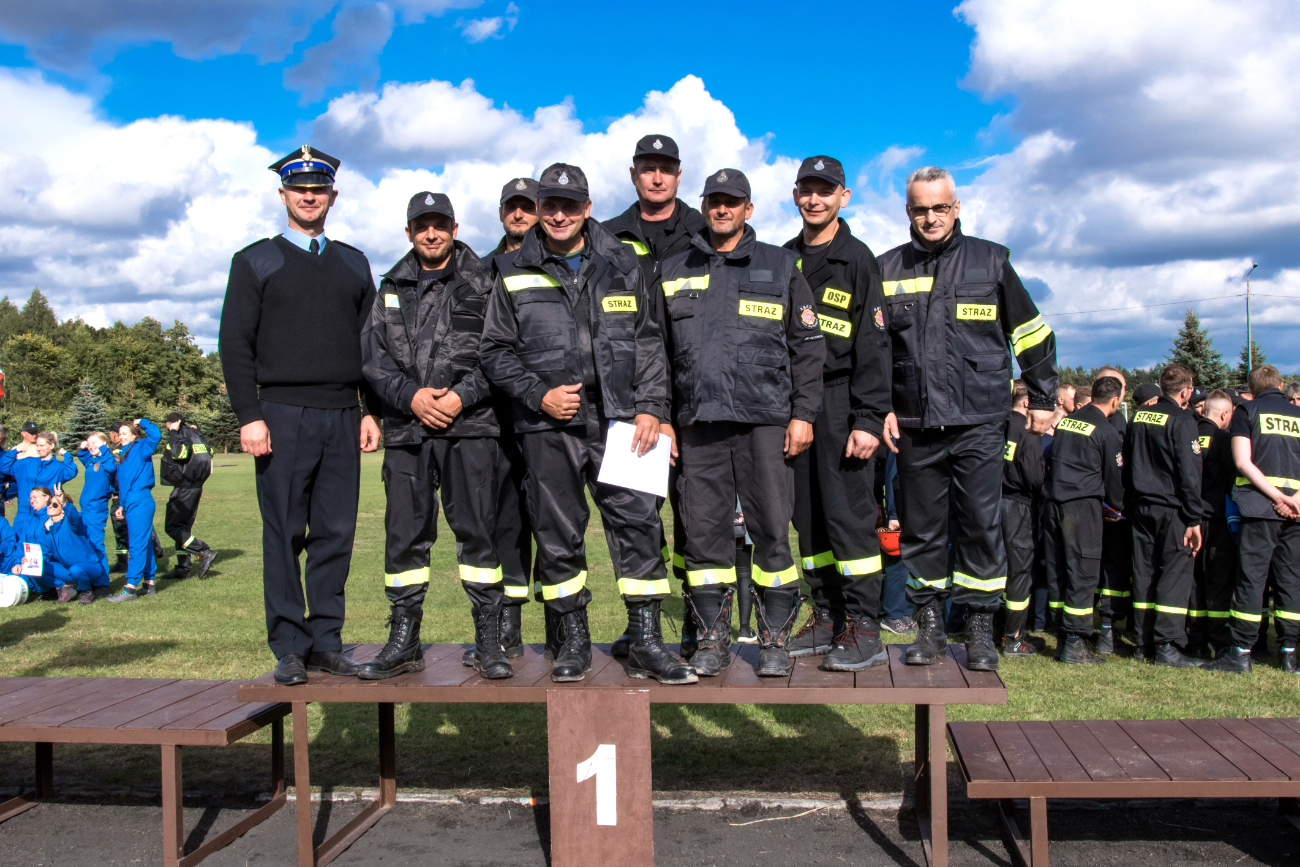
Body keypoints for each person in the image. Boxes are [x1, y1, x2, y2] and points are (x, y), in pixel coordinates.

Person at [481, 162, 693, 685]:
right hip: (549, 423)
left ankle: (646, 641)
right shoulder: (512, 270)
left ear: (587, 208)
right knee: (557, 533)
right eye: (549, 205)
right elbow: (495, 350)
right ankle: (571, 641)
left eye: (569, 205)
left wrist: (653, 409)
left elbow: (650, 342)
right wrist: (539, 395)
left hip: (624, 421)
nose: (558, 215)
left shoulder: (624, 263)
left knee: (640, 525)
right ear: (538, 210)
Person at [879, 166, 1058, 672]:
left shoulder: (992, 261)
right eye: (920, 208)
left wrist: (1043, 396)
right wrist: (880, 409)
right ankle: (930, 627)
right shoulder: (886, 269)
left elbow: (1032, 334)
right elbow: (874, 352)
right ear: (908, 211)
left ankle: (980, 628)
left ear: (956, 208)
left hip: (980, 421)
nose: (930, 217)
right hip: (915, 425)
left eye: (940, 207)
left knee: (982, 525)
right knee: (922, 531)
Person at [219, 145, 382, 685]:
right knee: (284, 532)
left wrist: (369, 410)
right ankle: (289, 644)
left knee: (335, 533)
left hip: (342, 413)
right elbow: (234, 344)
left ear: (332, 196)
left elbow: (371, 346)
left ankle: (327, 641)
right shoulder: (255, 260)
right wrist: (249, 414)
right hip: (280, 414)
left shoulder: (354, 262)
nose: (309, 196)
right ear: (283, 193)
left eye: (318, 189)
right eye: (299, 189)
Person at [652, 167, 824, 678]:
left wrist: (803, 415)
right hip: (697, 425)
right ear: (703, 206)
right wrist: (661, 418)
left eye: (732, 201)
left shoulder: (781, 264)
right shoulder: (672, 266)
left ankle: (773, 641)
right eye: (714, 201)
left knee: (772, 530)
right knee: (703, 537)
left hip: (764, 423)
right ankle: (711, 639)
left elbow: (808, 349)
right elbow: (654, 351)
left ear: (749, 209)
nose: (722, 209)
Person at [360, 191, 531, 680]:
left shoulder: (487, 279)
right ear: (409, 231)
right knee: (404, 539)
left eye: (439, 225)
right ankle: (404, 639)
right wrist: (411, 396)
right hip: (408, 431)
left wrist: (460, 397)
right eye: (421, 226)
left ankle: (489, 639)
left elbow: (500, 350)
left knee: (479, 535)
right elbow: (373, 359)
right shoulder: (391, 285)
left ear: (455, 229)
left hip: (472, 429)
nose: (430, 234)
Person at [779, 155, 891, 671]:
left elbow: (875, 345)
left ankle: (863, 625)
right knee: (809, 519)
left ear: (844, 197)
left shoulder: (859, 260)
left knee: (849, 518)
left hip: (844, 402)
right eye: (807, 189)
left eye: (826, 190)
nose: (815, 199)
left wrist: (869, 418)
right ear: (796, 194)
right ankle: (825, 616)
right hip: (797, 404)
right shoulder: (781, 259)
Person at [603, 134, 708, 657]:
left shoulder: (704, 231)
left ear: (679, 174)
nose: (657, 176)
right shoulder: (605, 237)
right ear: (634, 174)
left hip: (695, 395)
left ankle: (695, 625)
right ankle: (641, 628)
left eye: (667, 167)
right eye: (648, 168)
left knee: (695, 518)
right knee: (635, 515)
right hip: (631, 400)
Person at [1207, 365, 1300, 673]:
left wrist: (1276, 497)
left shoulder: (1247, 411)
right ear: (1282, 385)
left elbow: (1242, 462)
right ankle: (1289, 653)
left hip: (1260, 508)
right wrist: (1293, 500)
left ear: (1251, 386)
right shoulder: (1297, 414)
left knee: (1252, 580)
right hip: (1296, 512)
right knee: (1290, 582)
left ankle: (1241, 652)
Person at [1124, 363, 1204, 667]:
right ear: (1185, 391)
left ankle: (1143, 641)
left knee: (1144, 572)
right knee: (1175, 574)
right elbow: (1190, 472)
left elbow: (1128, 462)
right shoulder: (1183, 420)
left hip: (1142, 506)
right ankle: (1167, 644)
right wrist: (1194, 518)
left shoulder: (1140, 417)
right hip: (1173, 509)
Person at [1042, 376, 1125, 664]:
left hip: (1053, 501)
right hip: (1081, 506)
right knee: (1083, 570)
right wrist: (1116, 508)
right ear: (1115, 400)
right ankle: (1076, 642)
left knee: (1059, 569)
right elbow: (1114, 480)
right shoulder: (1106, 430)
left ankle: (1062, 635)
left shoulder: (1067, 421)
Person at [1190, 388, 1237, 656]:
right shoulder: (1223, 438)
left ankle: (1195, 640)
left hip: (1191, 519)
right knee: (1218, 581)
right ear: (1224, 414)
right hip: (1217, 519)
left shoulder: (1187, 434)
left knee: (1194, 581)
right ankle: (1219, 642)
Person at [1001, 381, 1046, 655]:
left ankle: (993, 631)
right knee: (1019, 573)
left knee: (996, 570)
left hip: (991, 504)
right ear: (1028, 403)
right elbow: (1035, 478)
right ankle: (1013, 637)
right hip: (1018, 508)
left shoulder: (997, 427)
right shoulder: (1029, 433)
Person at [1093, 365, 1132, 654]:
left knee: (1113, 569)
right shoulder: (1103, 424)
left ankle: (1107, 625)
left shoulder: (1120, 423)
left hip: (1110, 510)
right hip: (1097, 507)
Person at [105, 419, 162, 602]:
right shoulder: (124, 455)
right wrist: (121, 505)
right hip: (129, 501)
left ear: (134, 435)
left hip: (140, 500)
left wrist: (142, 422)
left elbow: (156, 434)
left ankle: (130, 588)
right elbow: (124, 483)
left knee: (136, 545)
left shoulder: (141, 446)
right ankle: (149, 583)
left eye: (124, 434)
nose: (120, 437)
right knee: (143, 543)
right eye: (119, 434)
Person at [158, 413, 217, 580]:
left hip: (184, 486)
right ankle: (183, 568)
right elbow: (210, 452)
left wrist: (174, 433)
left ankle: (204, 551)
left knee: (173, 527)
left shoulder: (179, 434)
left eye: (168, 423)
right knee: (183, 528)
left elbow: (179, 454)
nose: (167, 426)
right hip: (196, 486)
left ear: (175, 423)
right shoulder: (196, 434)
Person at [41, 492, 108, 606]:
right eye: (49, 503)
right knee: (41, 568)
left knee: (76, 569)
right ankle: (66, 588)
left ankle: (86, 592)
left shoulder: (71, 524)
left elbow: (74, 517)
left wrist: (64, 503)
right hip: (69, 570)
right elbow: (45, 552)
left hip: (90, 568)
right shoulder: (48, 529)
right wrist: (31, 562)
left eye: (54, 505)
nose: (50, 506)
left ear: (62, 509)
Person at [0, 432, 78, 526]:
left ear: (51, 445)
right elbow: (4, 466)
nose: (38, 448)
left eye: (42, 445)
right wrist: (15, 451)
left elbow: (71, 471)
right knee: (20, 540)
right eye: (37, 445)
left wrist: (67, 455)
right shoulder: (27, 463)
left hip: (45, 515)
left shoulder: (58, 467)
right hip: (23, 515)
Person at [75, 432, 116, 597]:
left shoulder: (107, 461)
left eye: (94, 442)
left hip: (96, 509)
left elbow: (112, 467)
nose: (90, 445)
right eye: (88, 442)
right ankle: (91, 578)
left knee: (96, 545)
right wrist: (83, 449)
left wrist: (104, 450)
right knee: (86, 544)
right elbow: (83, 457)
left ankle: (102, 584)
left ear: (104, 444)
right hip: (85, 509)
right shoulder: (93, 461)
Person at [485, 178, 539, 263]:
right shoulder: (482, 269)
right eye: (511, 207)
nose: (518, 215)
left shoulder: (557, 264)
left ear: (541, 214)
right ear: (500, 213)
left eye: (527, 208)